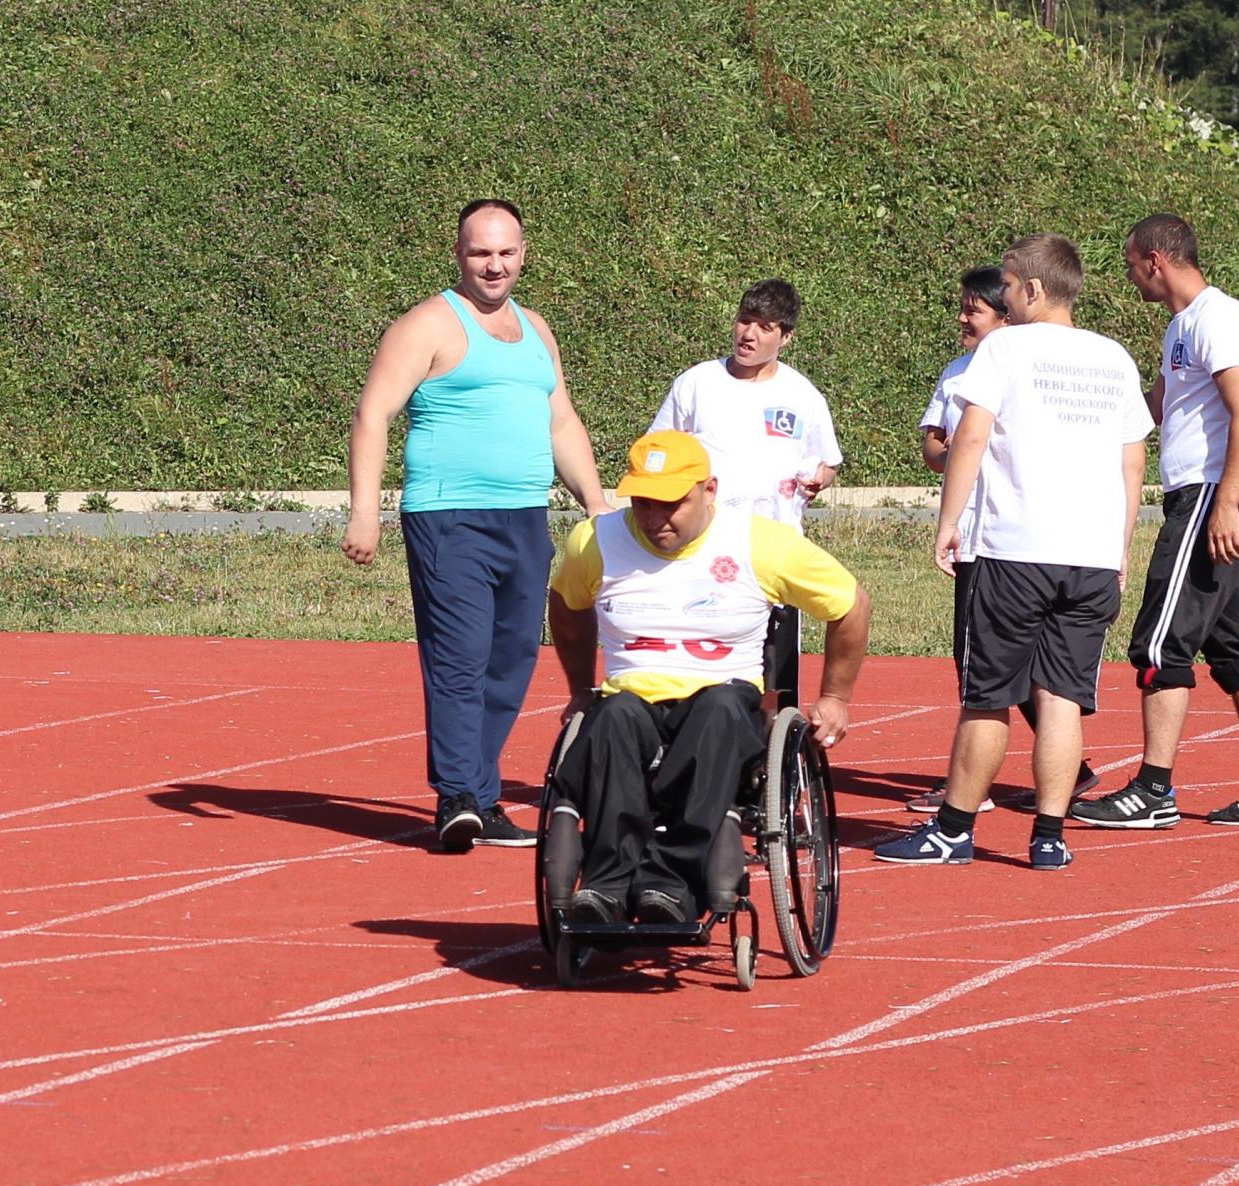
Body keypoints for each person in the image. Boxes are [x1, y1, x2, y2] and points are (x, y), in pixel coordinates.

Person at [343, 199, 612, 852]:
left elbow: (562, 423)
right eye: (480, 253)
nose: (494, 265)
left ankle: (483, 796)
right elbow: (373, 414)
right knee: (460, 655)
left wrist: (598, 505)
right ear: (459, 254)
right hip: (448, 515)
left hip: (524, 515)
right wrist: (364, 511)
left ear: (523, 254)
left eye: (505, 253)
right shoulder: (428, 324)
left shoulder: (537, 330)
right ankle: (458, 797)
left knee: (512, 659)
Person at [876, 234, 1150, 871]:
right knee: (1061, 696)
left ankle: (952, 830)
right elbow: (1132, 460)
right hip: (1088, 555)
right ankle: (1050, 836)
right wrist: (1119, 546)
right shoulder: (1114, 358)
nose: (1000, 295)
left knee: (989, 694)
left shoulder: (1004, 346)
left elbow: (969, 435)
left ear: (1031, 289)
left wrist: (948, 521)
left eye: (1006, 284)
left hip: (1012, 549)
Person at [545, 431, 869, 924]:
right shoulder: (596, 540)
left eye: (671, 504)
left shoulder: (760, 542)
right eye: (644, 503)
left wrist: (834, 696)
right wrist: (579, 689)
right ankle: (607, 886)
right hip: (630, 698)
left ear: (709, 489)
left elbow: (850, 605)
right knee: (611, 719)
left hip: (724, 695)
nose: (655, 519)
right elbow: (567, 605)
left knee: (715, 711)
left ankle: (671, 883)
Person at [1071, 213, 1239, 829]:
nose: (1128, 275)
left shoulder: (1216, 317)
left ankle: (1153, 790)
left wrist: (1225, 500)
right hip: (1203, 497)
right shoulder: (1182, 326)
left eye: (1129, 263)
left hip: (1210, 497)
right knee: (1233, 648)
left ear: (1155, 259)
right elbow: (1156, 407)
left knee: (1158, 642)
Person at [906, 266, 1100, 814]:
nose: (964, 319)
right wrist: (964, 452)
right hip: (981, 531)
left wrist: (982, 448)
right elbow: (938, 445)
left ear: (1009, 311)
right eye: (963, 308)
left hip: (1008, 539)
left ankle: (967, 798)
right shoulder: (958, 371)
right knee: (987, 665)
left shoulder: (1032, 364)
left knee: (993, 677)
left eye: (976, 309)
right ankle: (1054, 792)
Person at [650, 278, 844, 713]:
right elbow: (658, 450)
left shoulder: (803, 396)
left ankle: (771, 765)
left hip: (773, 552)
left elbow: (827, 461)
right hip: (704, 548)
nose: (749, 334)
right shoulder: (697, 383)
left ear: (786, 336)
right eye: (744, 321)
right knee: (701, 665)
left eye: (764, 326)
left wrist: (821, 478)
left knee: (774, 677)